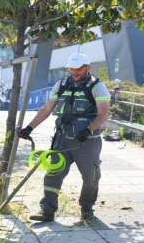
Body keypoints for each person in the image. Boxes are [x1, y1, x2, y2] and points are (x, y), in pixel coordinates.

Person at [18, 52, 110, 222]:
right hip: (62, 138)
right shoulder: (60, 85)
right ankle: (47, 211)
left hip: (87, 141)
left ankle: (87, 209)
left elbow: (103, 114)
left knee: (91, 176)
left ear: (87, 67)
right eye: (71, 69)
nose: (74, 73)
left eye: (79, 69)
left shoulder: (97, 86)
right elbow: (47, 109)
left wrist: (89, 130)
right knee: (53, 173)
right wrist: (29, 128)